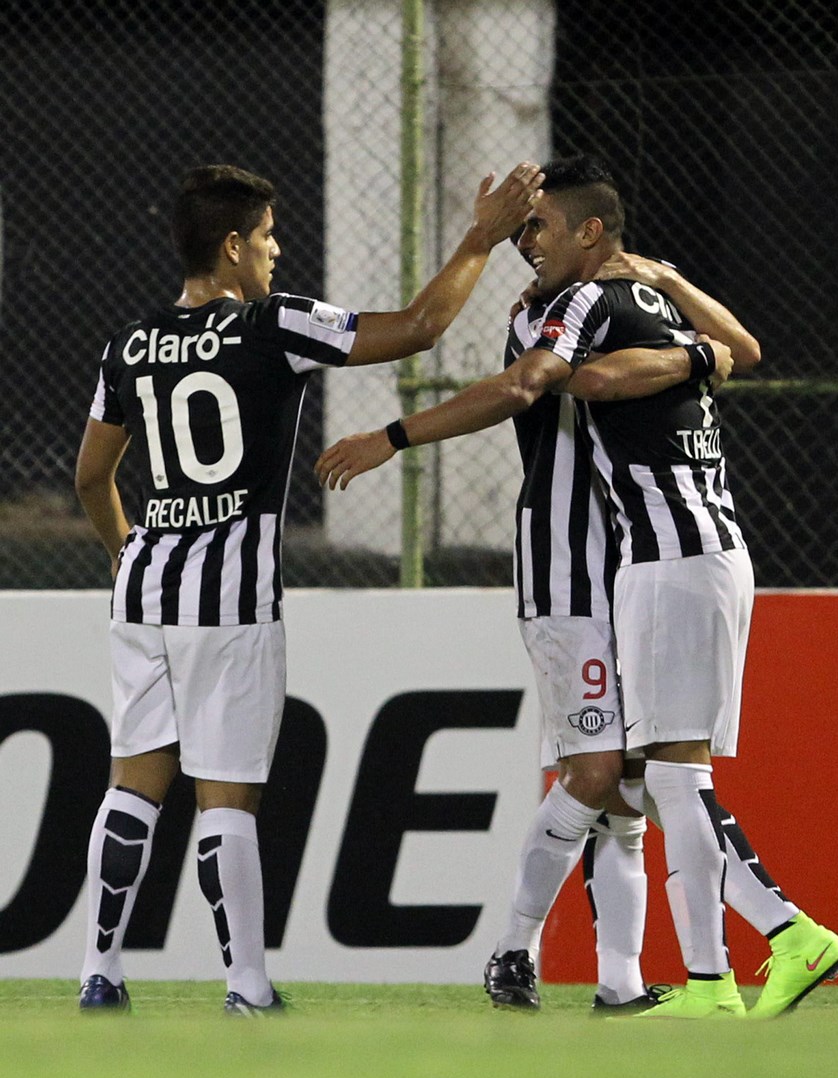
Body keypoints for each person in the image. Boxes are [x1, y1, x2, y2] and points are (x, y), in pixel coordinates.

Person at [315, 155, 838, 1019]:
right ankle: (517, 948)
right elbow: (551, 382)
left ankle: (629, 984)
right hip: (570, 567)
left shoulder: (612, 300)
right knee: (601, 769)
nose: (530, 242)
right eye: (520, 229)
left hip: (643, 558)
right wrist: (396, 434)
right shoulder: (548, 314)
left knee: (641, 784)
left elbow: (731, 350)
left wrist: (676, 310)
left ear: (589, 231)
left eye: (540, 226)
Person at [74, 160, 544, 1014]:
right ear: (231, 247)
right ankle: (247, 986)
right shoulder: (273, 326)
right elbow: (420, 327)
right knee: (227, 796)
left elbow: (91, 477)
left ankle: (98, 973)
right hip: (231, 599)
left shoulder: (127, 345)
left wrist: (124, 550)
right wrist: (481, 237)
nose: (275, 250)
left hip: (145, 592)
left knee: (132, 783)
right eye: (265, 236)